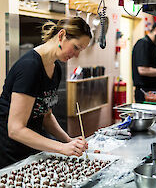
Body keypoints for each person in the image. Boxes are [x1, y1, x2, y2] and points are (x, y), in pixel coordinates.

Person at [0, 16, 92, 169]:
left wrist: (68, 141)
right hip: (11, 150)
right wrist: (61, 148)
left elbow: (46, 116)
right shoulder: (30, 67)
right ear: (61, 35)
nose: (77, 55)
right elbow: (15, 129)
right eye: (76, 47)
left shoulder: (55, 70)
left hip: (31, 145)